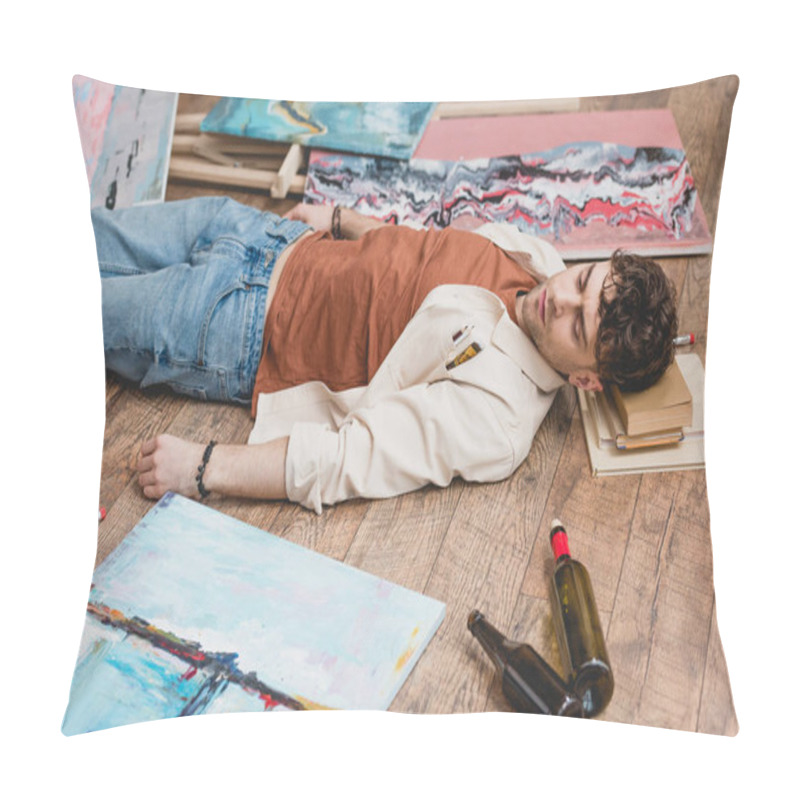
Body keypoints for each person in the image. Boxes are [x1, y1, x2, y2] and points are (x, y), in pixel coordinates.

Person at [95, 196, 677, 513]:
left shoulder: (499, 418)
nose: (562, 299)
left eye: (580, 327)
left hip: (236, 326)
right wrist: (344, 221)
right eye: (586, 282)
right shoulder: (541, 259)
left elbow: (352, 459)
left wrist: (205, 470)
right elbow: (423, 253)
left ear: (587, 380)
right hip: (269, 238)